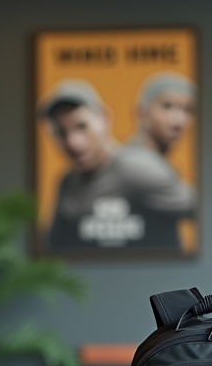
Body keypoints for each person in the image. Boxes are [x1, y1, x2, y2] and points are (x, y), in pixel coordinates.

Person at [42, 79, 194, 252]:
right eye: (61, 133)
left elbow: (210, 214)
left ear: (104, 120)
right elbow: (53, 253)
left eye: (81, 126)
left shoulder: (138, 168)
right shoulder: (67, 182)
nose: (73, 142)